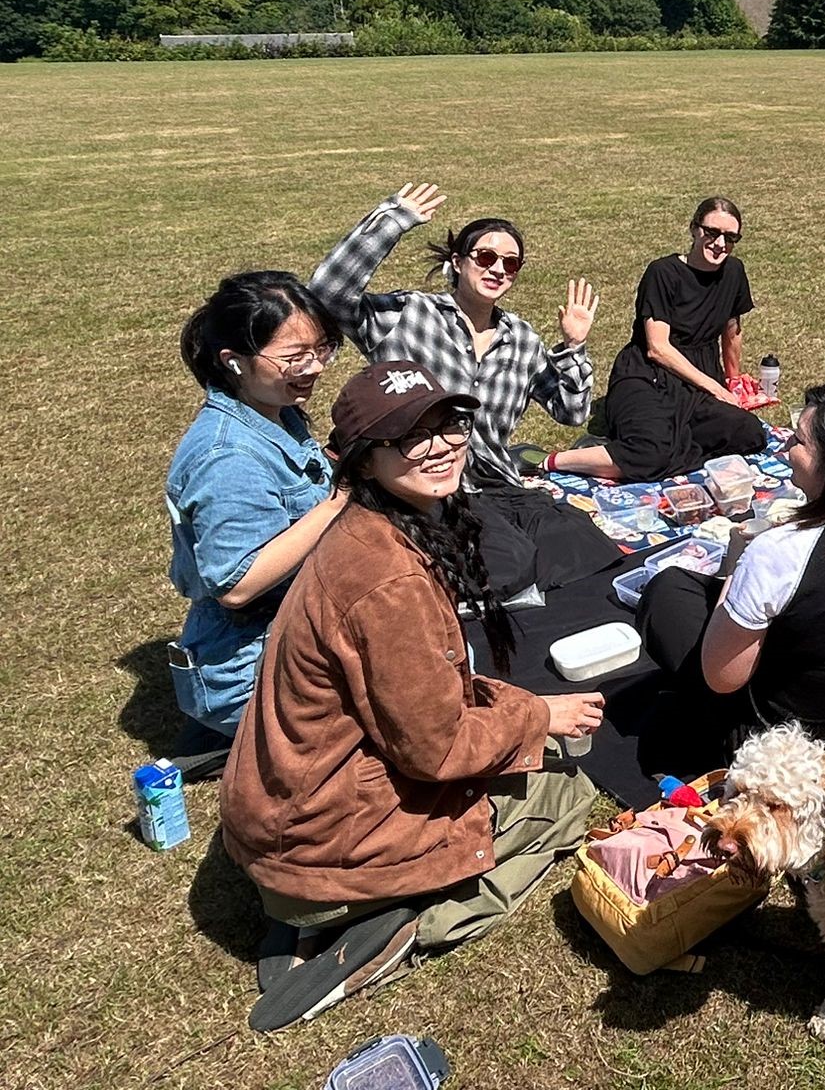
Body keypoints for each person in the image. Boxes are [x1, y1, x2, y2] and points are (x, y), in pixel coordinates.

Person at [221, 360, 603, 1031]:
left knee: (524, 747)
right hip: (318, 844)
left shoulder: (367, 533)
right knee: (568, 796)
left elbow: (423, 690)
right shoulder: (388, 579)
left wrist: (518, 710)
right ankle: (403, 927)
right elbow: (438, 749)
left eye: (448, 424)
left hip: (283, 826)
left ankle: (314, 914)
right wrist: (537, 717)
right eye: (410, 436)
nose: (442, 445)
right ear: (363, 463)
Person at [309, 182, 620, 592]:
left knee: (586, 546)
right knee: (508, 566)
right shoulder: (410, 315)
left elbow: (572, 412)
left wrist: (574, 347)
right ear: (457, 263)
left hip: (498, 483)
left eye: (510, 264)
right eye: (486, 257)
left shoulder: (521, 339)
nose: (497, 270)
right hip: (423, 485)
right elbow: (326, 294)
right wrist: (393, 220)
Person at [638, 381, 825, 777]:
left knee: (666, 592)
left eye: (798, 441)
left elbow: (723, 677)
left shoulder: (781, 551)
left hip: (796, 757)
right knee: (687, 587)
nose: (785, 449)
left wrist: (740, 566)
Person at [165, 273, 350, 754]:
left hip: (295, 636)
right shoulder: (227, 458)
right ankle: (233, 735)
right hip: (251, 667)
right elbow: (236, 584)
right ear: (234, 361)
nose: (315, 367)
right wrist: (340, 499)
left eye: (322, 348)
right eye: (294, 357)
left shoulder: (275, 409)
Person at [546, 196, 768, 482]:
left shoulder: (734, 272)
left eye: (730, 237)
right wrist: (715, 387)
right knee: (650, 453)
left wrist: (733, 381)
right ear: (694, 229)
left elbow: (732, 330)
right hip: (647, 376)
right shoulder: (663, 273)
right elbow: (657, 349)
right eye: (711, 233)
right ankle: (557, 460)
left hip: (697, 380)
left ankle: (647, 449)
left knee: (750, 434)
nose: (720, 244)